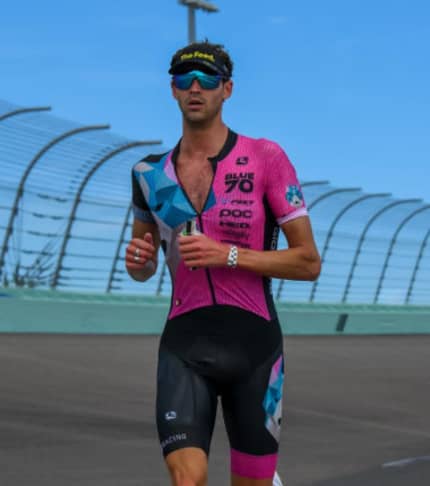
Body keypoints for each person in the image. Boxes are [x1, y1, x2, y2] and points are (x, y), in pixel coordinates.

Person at [126, 41, 321, 486]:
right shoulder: (149, 174)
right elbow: (144, 266)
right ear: (172, 90)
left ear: (227, 89)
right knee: (186, 480)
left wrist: (229, 255)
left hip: (255, 349)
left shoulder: (265, 158)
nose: (195, 88)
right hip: (184, 346)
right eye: (184, 79)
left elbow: (308, 262)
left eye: (207, 79)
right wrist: (138, 261)